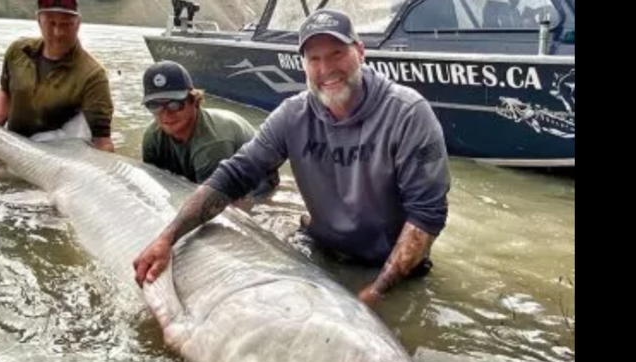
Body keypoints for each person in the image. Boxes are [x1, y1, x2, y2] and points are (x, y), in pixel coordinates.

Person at [132, 9, 451, 306]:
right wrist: (167, 238)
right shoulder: (292, 115)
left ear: (360, 51)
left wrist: (377, 292)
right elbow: (234, 176)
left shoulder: (409, 113)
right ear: (304, 64)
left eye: (337, 53)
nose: (326, 69)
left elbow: (426, 215)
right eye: (314, 59)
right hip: (320, 253)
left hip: (394, 271)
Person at [140, 60, 279, 209]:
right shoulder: (152, 137)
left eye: (175, 105)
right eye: (155, 106)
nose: (166, 114)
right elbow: (155, 185)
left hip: (257, 179)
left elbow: (210, 204)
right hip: (203, 170)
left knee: (234, 211)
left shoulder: (213, 143)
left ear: (194, 101)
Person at [0, 0, 115, 151]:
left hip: (58, 161)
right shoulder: (18, 51)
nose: (58, 33)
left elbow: (102, 141)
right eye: (51, 23)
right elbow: (5, 92)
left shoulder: (94, 76)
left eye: (66, 24)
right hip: (10, 150)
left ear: (78, 23)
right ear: (39, 21)